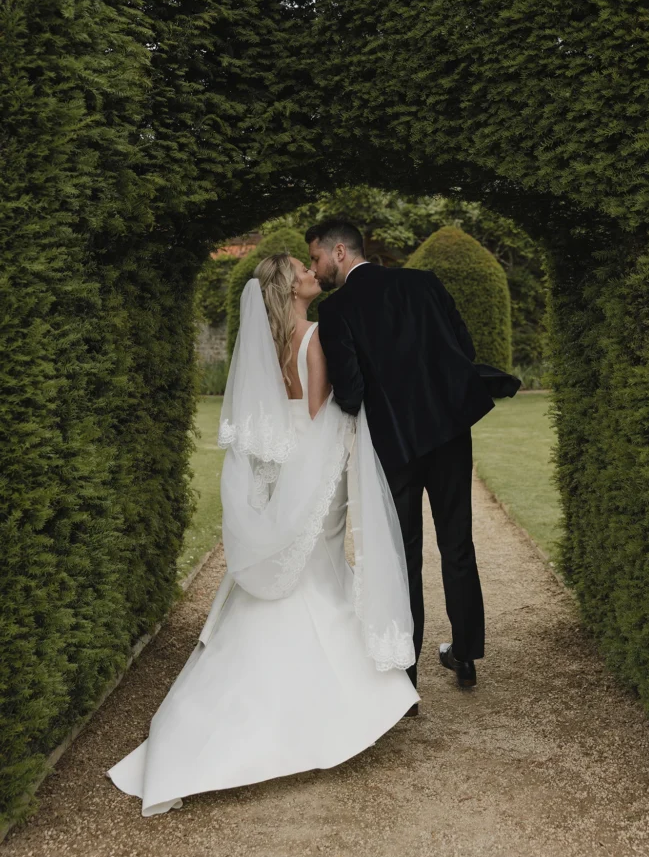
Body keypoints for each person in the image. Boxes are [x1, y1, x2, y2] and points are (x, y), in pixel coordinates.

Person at [106, 253, 418, 816]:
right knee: (318, 576)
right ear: (291, 288)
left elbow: (279, 413)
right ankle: (325, 706)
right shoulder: (316, 337)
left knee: (300, 575)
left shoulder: (269, 341)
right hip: (316, 468)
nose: (310, 274)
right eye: (301, 270)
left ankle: (233, 708)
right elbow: (322, 411)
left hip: (284, 470)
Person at [306, 219, 520, 696]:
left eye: (317, 258)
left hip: (394, 446)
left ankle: (407, 677)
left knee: (403, 556)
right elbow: (462, 350)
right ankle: (465, 654)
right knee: (458, 543)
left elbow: (351, 392)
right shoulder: (424, 282)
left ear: (340, 252)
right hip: (448, 435)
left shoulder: (337, 309)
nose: (315, 270)